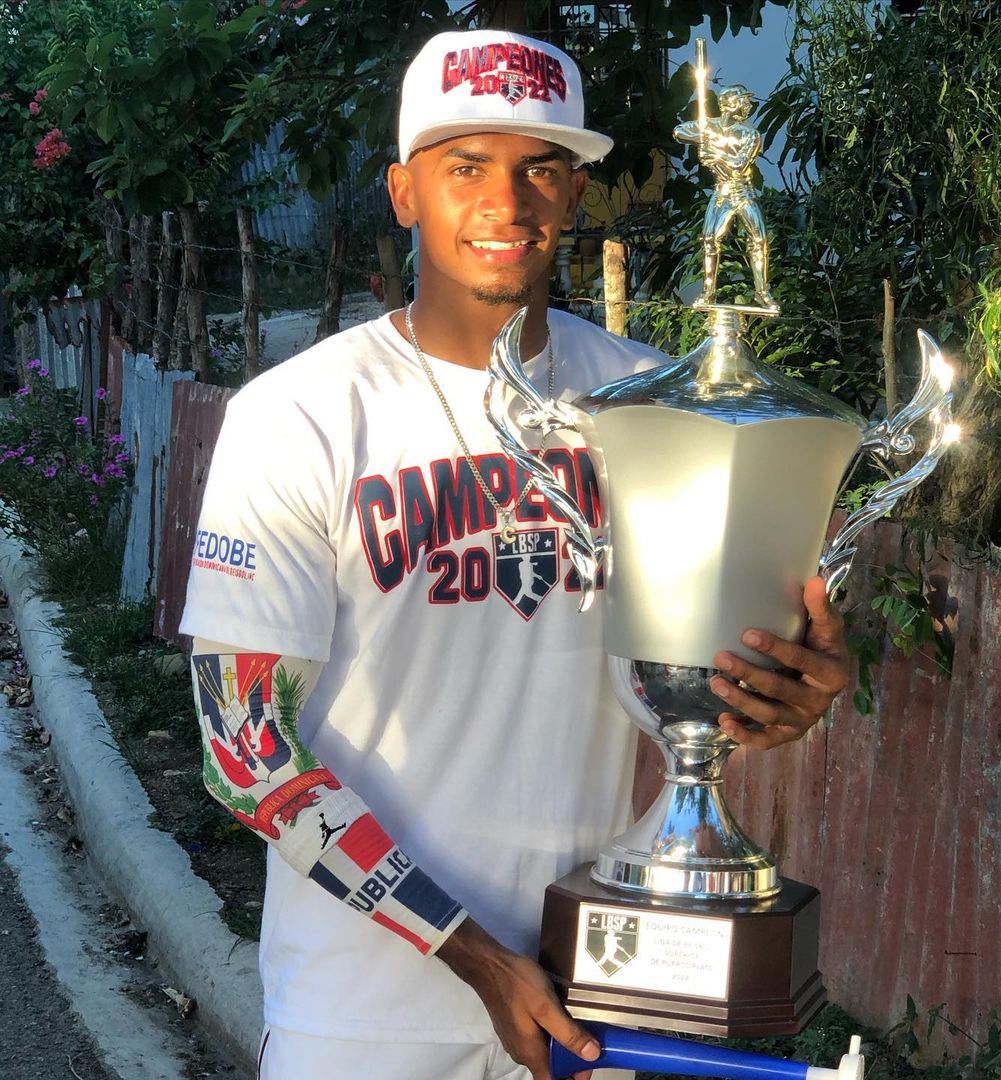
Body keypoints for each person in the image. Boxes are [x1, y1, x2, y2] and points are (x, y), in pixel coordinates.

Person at [180, 27, 850, 1080]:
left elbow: (694, 673)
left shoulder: (654, 408)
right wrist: (479, 958)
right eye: (466, 167)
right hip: (364, 1018)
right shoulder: (299, 417)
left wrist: (770, 697)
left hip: (603, 990)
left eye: (541, 169)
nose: (508, 201)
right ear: (405, 191)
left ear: (577, 194)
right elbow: (243, 751)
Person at [673, 84, 777, 310]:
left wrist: (714, 154)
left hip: (744, 192)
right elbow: (679, 131)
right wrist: (701, 135)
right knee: (709, 239)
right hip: (722, 193)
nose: (748, 105)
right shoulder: (709, 126)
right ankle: (708, 292)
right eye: (744, 100)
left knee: (759, 239)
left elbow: (739, 165)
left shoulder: (750, 134)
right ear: (730, 103)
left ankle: (762, 292)